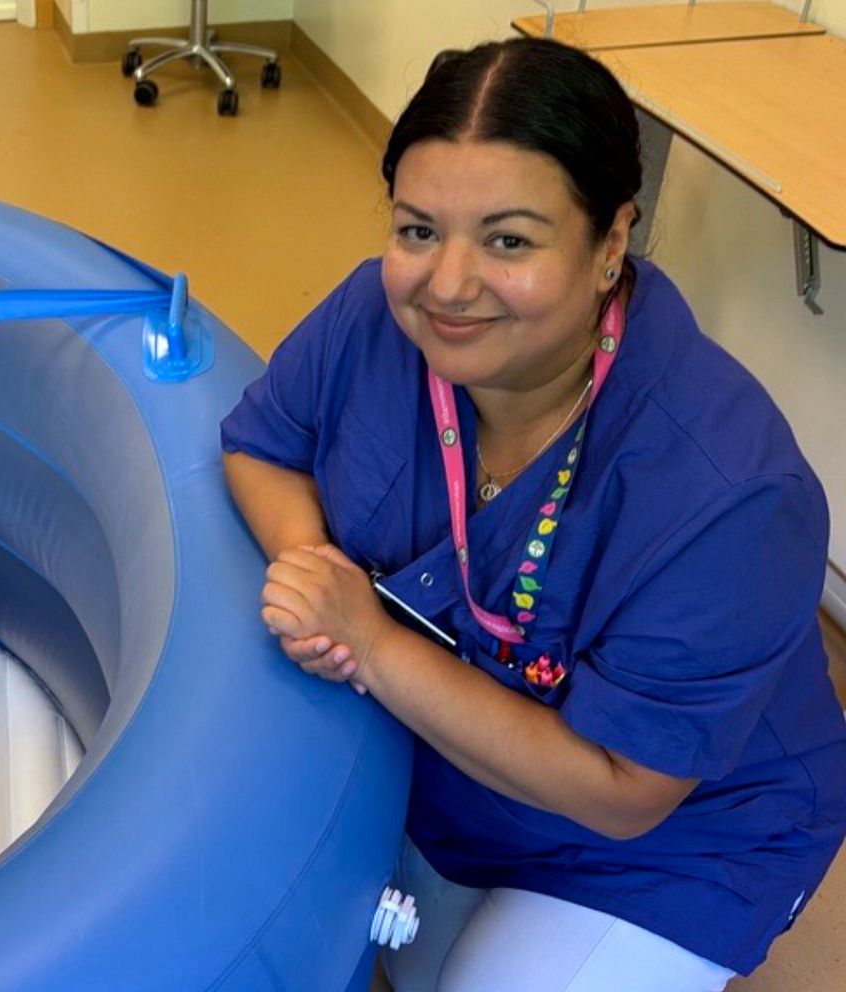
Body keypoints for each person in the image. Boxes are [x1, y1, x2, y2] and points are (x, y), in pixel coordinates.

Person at [220, 36, 846, 992]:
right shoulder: (375, 319)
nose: (447, 285)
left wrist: (369, 644)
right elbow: (263, 445)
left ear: (610, 244)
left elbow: (625, 789)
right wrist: (316, 571)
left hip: (664, 844)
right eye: (417, 230)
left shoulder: (731, 496)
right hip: (450, 762)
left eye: (508, 240)